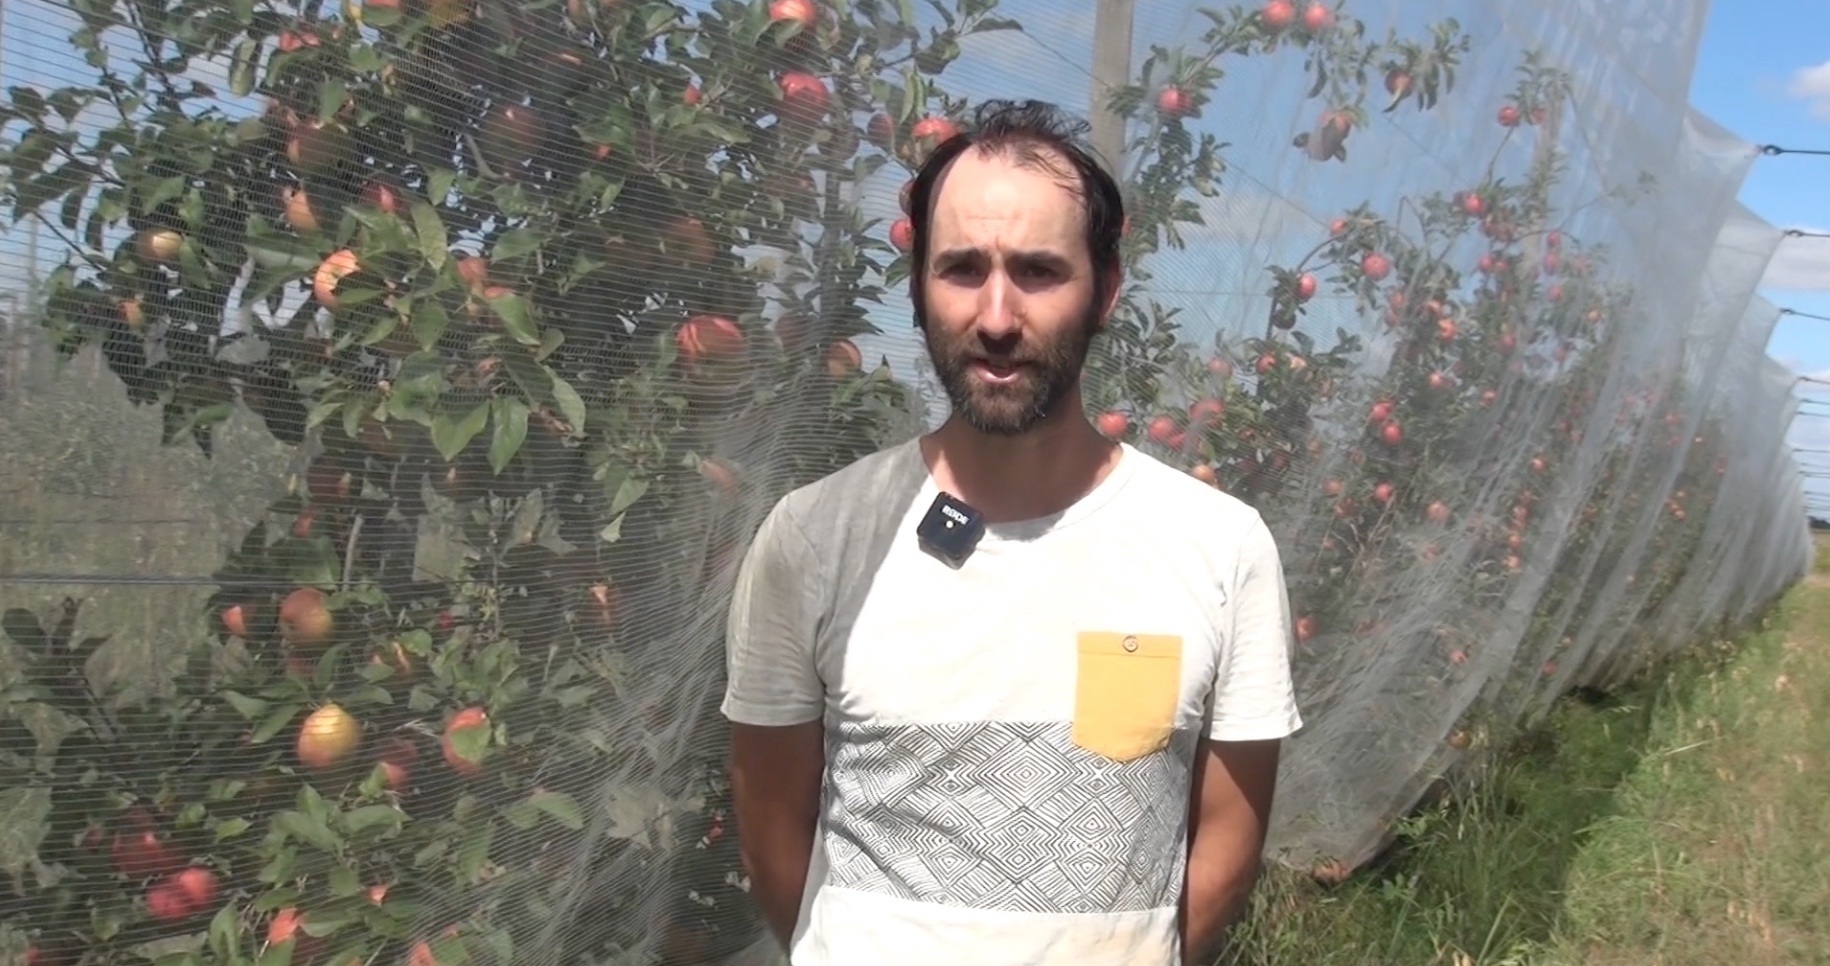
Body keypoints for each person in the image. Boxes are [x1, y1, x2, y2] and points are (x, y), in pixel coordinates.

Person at [719, 99, 1303, 966]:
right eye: (960, 269)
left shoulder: (1221, 550)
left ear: (1105, 289)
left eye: (1037, 270)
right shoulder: (814, 539)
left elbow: (1225, 843)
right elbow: (773, 833)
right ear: (917, 286)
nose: (996, 317)